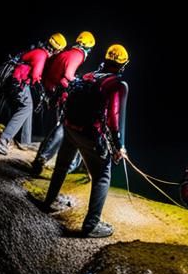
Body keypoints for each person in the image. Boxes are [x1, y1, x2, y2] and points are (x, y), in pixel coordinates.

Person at [32, 43, 130, 238]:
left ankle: (47, 202)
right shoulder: (117, 85)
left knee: (61, 166)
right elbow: (115, 117)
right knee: (102, 175)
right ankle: (91, 225)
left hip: (70, 127)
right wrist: (119, 146)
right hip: (89, 134)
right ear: (122, 65)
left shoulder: (89, 76)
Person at [29, 31, 96, 176]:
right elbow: (68, 75)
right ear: (88, 47)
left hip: (51, 91)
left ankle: (42, 158)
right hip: (58, 94)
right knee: (62, 127)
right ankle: (43, 159)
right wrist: (80, 83)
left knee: (58, 127)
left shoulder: (68, 52)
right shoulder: (78, 55)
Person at [0, 33, 65, 155]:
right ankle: (2, 140)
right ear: (57, 50)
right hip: (17, 84)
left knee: (28, 106)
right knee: (25, 107)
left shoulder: (38, 50)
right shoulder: (42, 55)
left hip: (13, 81)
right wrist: (44, 90)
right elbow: (35, 75)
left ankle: (23, 140)